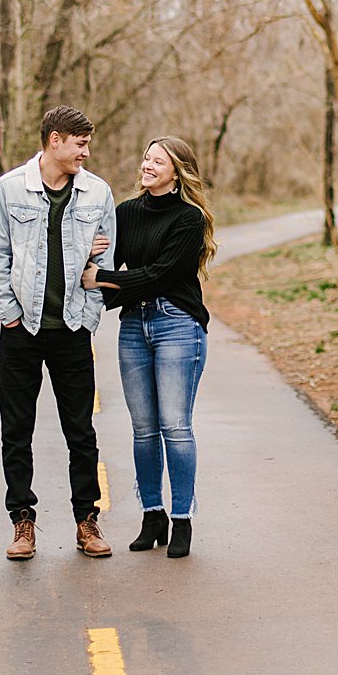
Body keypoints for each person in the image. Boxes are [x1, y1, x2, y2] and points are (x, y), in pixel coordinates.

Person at [0, 105, 119, 561]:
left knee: (80, 431)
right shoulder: (8, 189)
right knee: (16, 430)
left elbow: (104, 264)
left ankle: (86, 520)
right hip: (21, 330)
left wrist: (91, 316)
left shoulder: (97, 193)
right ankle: (23, 523)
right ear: (55, 140)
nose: (86, 152)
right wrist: (9, 314)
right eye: (80, 143)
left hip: (72, 329)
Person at [82, 136, 216, 559]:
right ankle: (151, 515)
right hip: (133, 325)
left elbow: (160, 275)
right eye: (146, 158)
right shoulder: (126, 212)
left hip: (177, 323)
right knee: (143, 429)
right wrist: (93, 266)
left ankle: (182, 520)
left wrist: (103, 280)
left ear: (177, 172)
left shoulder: (190, 219)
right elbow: (113, 266)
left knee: (175, 427)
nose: (148, 165)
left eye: (158, 161)